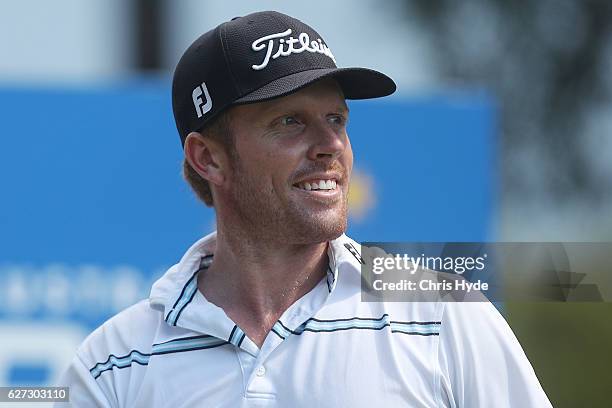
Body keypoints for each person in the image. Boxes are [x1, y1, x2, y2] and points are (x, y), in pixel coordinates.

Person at [58, 11, 552, 407]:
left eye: (336, 118)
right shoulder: (114, 364)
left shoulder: (445, 316)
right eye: (290, 121)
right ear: (208, 157)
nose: (330, 144)